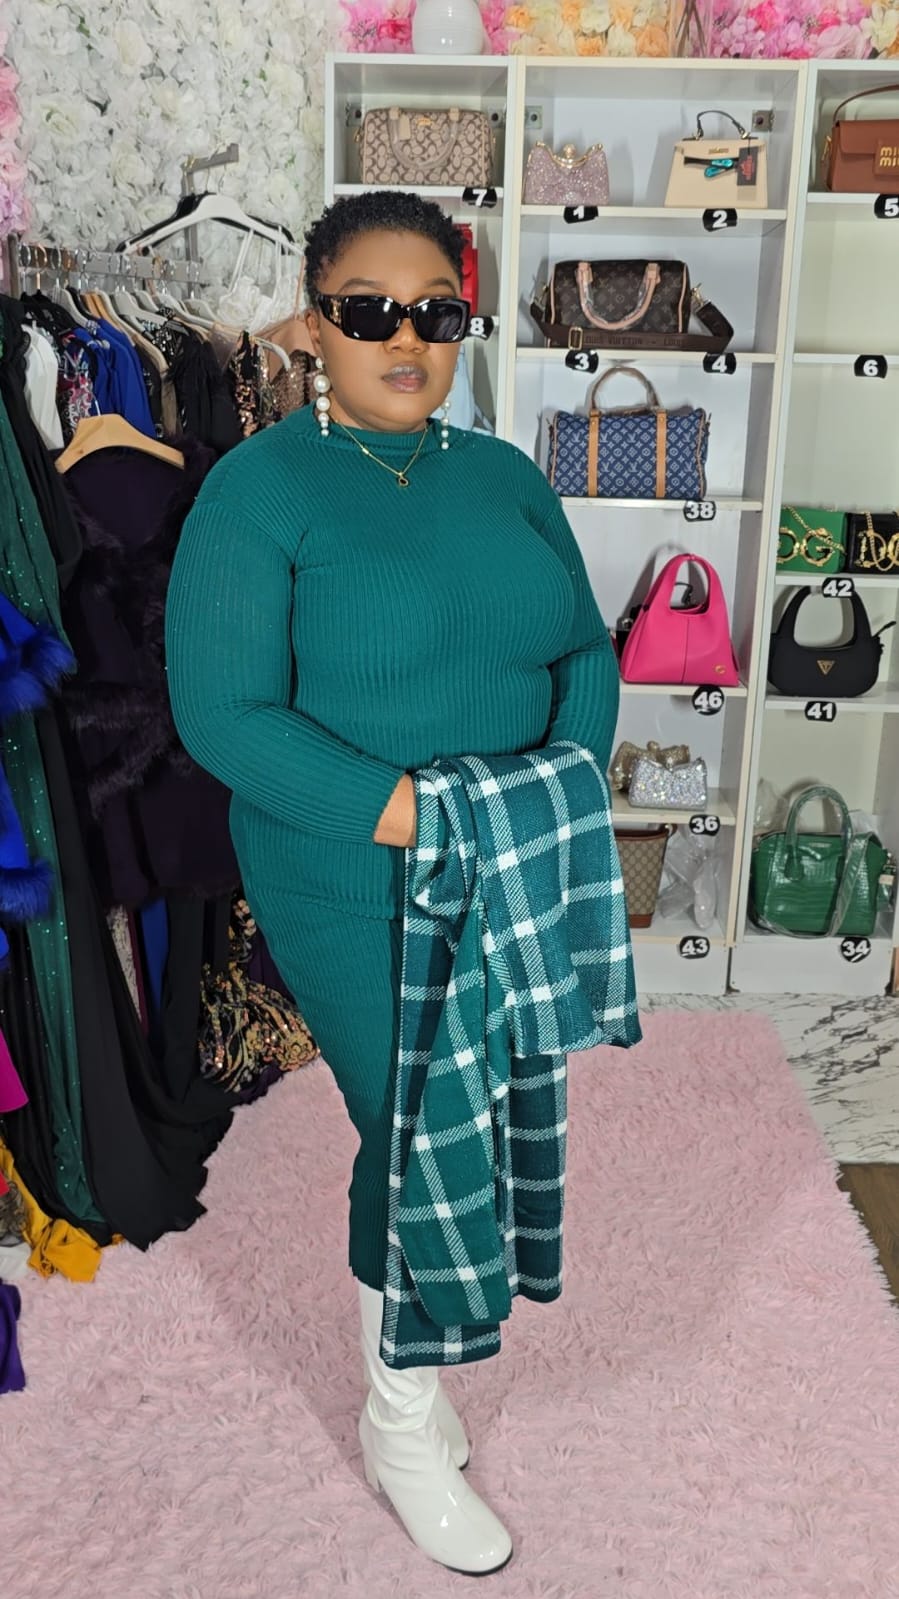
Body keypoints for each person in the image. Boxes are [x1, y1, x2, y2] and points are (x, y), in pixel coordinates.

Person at [165, 190, 620, 1576]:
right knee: (421, 1128)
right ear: (315, 324)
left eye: (436, 312)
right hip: (348, 874)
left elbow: (583, 650)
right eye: (369, 311)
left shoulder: (505, 475)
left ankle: (412, 1362)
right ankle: (401, 1422)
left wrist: (553, 793)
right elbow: (224, 717)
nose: (405, 338)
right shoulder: (258, 491)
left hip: (510, 860)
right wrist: (420, 816)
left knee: (486, 1101)